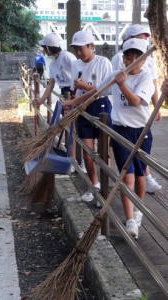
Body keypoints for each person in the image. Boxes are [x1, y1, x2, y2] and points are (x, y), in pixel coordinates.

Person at [64, 38, 155, 239]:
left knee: (140, 175)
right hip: (120, 130)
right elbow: (96, 92)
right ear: (122, 58)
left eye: (136, 57)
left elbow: (136, 101)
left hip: (141, 131)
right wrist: (73, 102)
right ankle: (130, 219)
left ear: (143, 60)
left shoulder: (146, 77)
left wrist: (122, 85)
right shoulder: (116, 75)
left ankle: (137, 211)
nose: (131, 60)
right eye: (127, 56)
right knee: (126, 175)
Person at [111, 24, 162, 194]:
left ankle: (145, 181)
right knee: (129, 173)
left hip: (140, 124)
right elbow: (105, 87)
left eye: (144, 38)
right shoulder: (119, 59)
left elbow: (153, 84)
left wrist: (156, 106)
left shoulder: (147, 64)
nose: (142, 40)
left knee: (139, 168)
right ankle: (131, 215)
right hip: (121, 124)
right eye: (138, 37)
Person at [68, 30, 112, 205]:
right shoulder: (75, 64)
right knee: (88, 153)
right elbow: (75, 89)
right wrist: (73, 101)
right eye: (75, 49)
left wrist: (85, 86)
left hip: (101, 108)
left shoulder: (103, 62)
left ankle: (104, 190)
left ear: (91, 46)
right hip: (82, 108)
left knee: (103, 153)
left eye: (81, 49)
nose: (78, 53)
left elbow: (107, 89)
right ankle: (93, 185)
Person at [32, 33, 78, 172]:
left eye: (44, 47)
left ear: (49, 47)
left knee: (75, 129)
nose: (43, 50)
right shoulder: (52, 65)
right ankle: (71, 160)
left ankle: (75, 162)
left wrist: (74, 96)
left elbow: (78, 74)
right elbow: (50, 86)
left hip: (75, 93)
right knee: (69, 129)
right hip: (65, 96)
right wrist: (40, 100)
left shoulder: (67, 57)